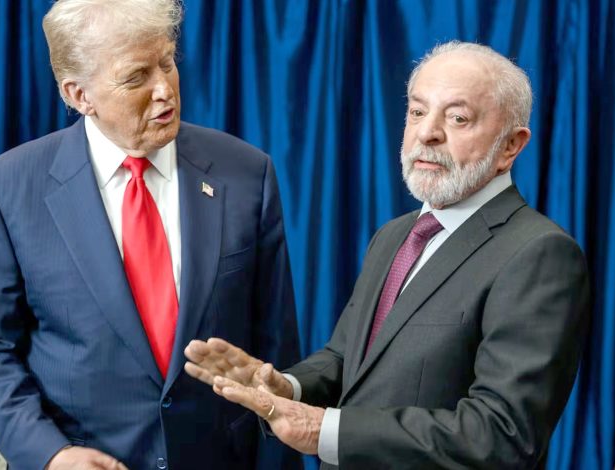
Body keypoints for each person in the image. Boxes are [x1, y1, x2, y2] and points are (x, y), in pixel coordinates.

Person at [184, 41, 591, 469]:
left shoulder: (539, 254)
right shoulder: (394, 236)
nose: (427, 133)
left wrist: (324, 430)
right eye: (417, 111)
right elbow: (346, 360)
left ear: (511, 146)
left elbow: (502, 434)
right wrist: (285, 388)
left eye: (458, 118)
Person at [0, 1, 301, 469]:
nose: (164, 90)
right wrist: (51, 455)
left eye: (167, 63)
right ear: (79, 95)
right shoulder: (7, 188)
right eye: (136, 78)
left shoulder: (246, 174)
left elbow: (276, 346)